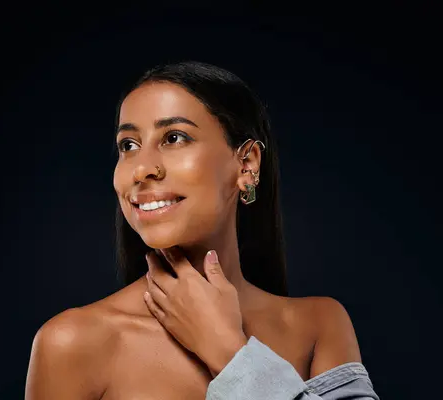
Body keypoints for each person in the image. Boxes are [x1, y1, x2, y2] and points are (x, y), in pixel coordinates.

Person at [24, 61, 379, 399]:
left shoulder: (318, 326)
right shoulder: (73, 342)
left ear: (247, 164)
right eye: (128, 145)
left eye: (175, 137)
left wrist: (229, 353)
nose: (142, 168)